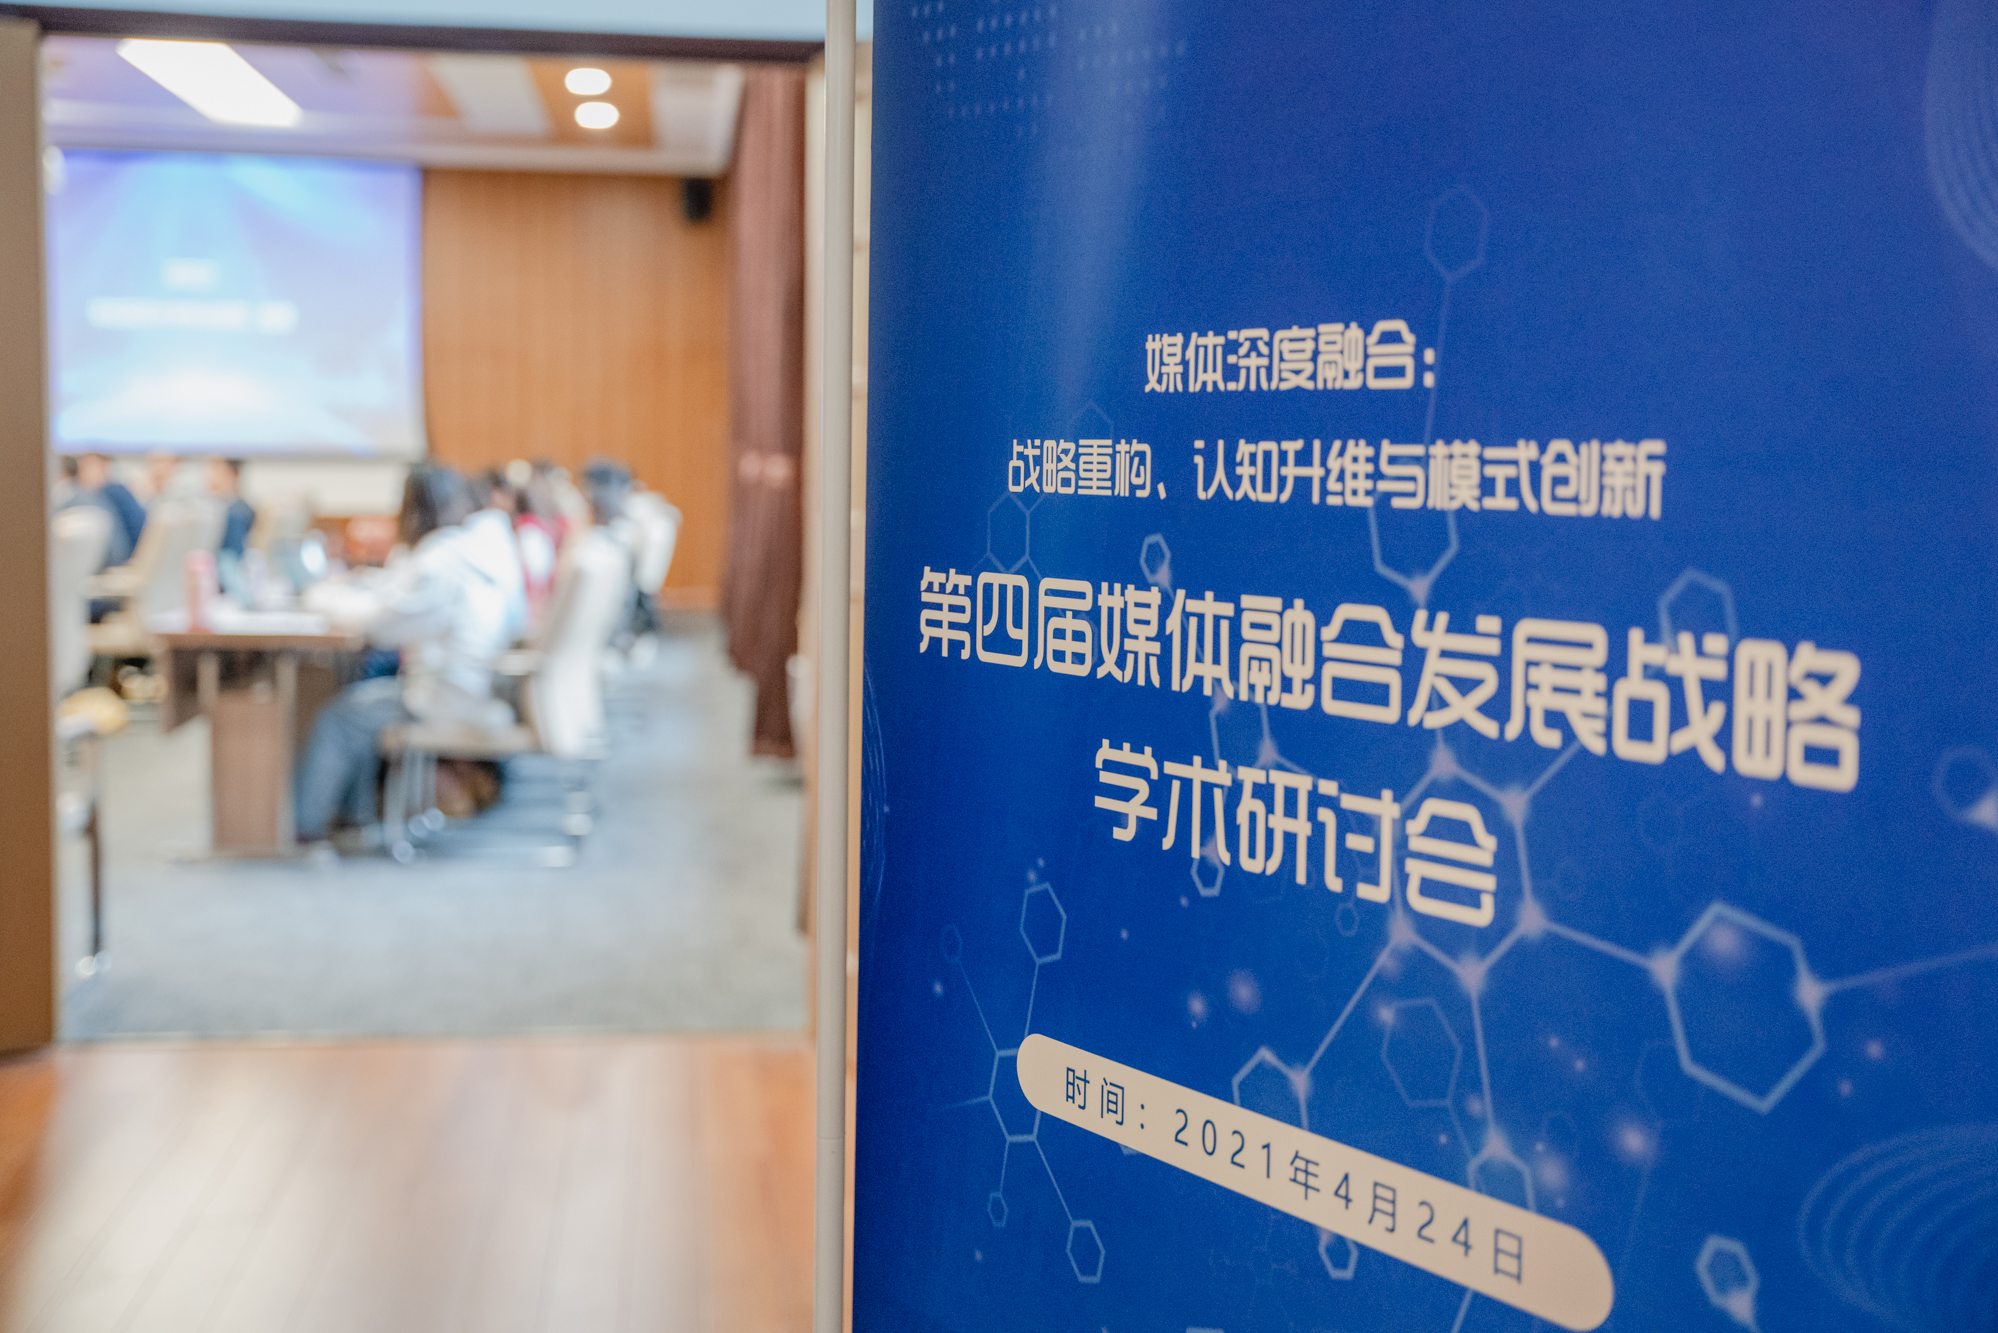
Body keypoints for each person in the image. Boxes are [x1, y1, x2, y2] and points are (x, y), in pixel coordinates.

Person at [292, 464, 522, 843]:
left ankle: (305, 830)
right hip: (472, 684)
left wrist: (323, 598)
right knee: (359, 700)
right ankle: (354, 819)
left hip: (445, 693)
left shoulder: (440, 559)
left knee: (339, 718)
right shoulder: (471, 549)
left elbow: (383, 626)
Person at [207, 458, 256, 560]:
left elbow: (233, 556)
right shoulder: (243, 508)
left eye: (215, 468)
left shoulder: (235, 514)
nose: (208, 474)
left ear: (231, 473)